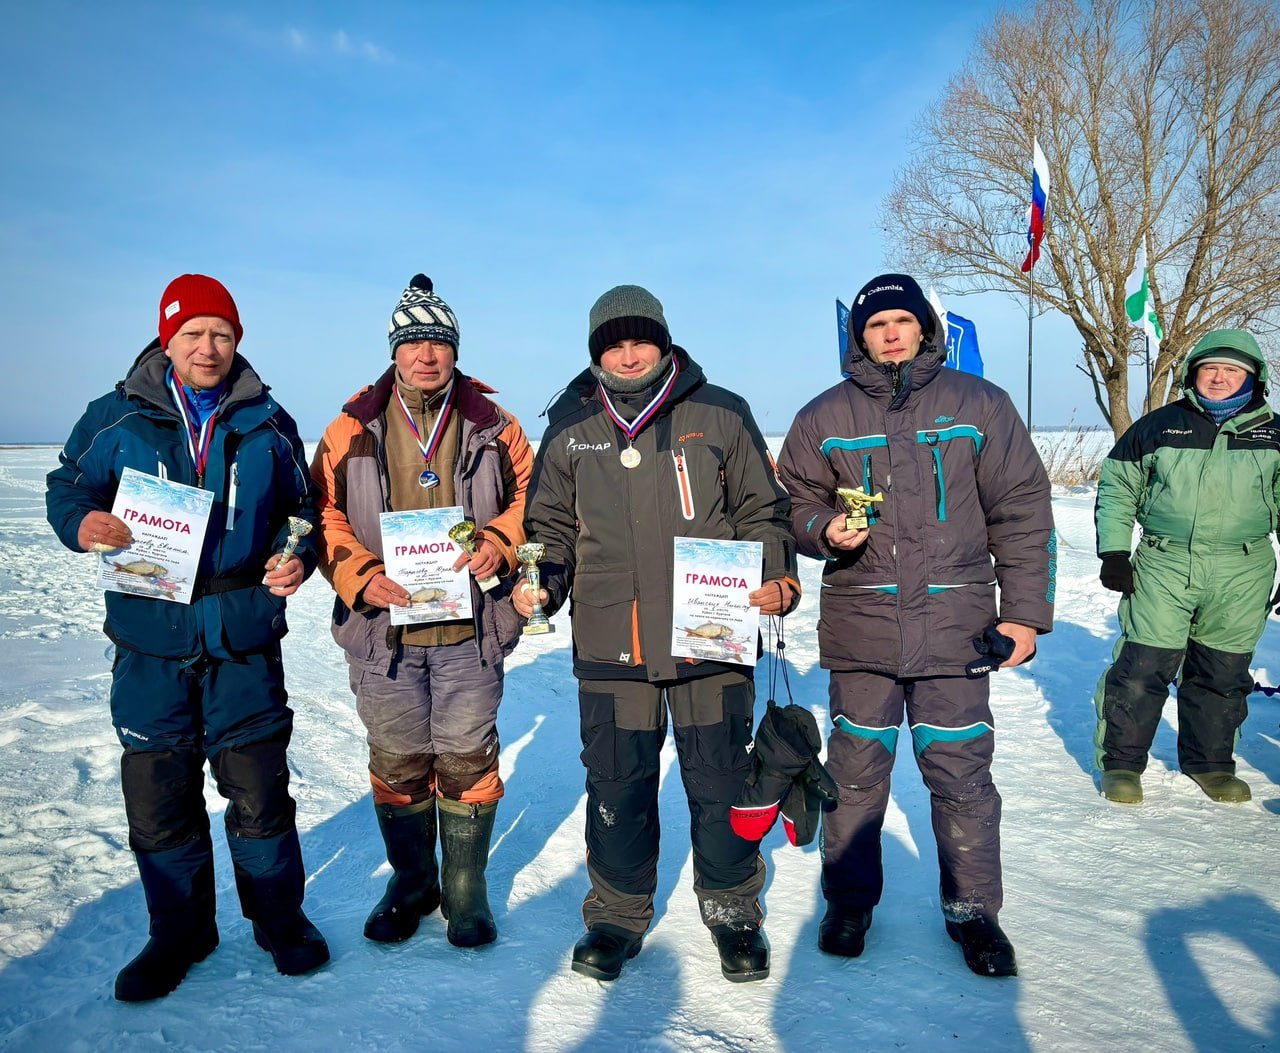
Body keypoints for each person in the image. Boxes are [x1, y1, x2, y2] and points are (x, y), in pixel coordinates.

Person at [45, 274, 329, 1001]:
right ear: (167, 339)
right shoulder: (117, 417)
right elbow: (67, 484)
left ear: (238, 342)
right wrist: (82, 523)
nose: (209, 348)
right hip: (151, 638)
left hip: (241, 637)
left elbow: (303, 510)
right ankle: (179, 931)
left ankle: (279, 920)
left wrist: (297, 556)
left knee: (260, 793)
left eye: (223, 334)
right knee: (160, 797)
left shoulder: (267, 421)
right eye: (194, 334)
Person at [514, 285, 800, 983]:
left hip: (711, 637)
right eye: (614, 343)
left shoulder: (719, 412)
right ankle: (615, 912)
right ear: (597, 354)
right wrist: (543, 581)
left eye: (640, 339)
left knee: (720, 778)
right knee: (618, 781)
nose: (629, 352)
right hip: (613, 639)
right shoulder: (570, 425)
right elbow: (547, 526)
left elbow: (764, 509)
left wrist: (779, 576)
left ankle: (733, 907)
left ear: (665, 340)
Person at [777, 272, 1055, 978]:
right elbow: (789, 502)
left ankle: (973, 913)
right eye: (877, 324)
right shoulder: (822, 416)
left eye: (903, 321)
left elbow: (1022, 509)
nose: (892, 333)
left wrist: (1023, 613)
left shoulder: (979, 405)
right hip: (863, 628)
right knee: (856, 772)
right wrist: (821, 527)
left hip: (954, 627)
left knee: (961, 774)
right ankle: (848, 900)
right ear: (859, 336)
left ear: (926, 329)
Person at [310, 274, 532, 949]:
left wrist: (500, 540)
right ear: (394, 351)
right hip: (385, 632)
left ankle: (465, 889)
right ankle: (412, 882)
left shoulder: (497, 425)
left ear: (454, 350)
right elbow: (322, 513)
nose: (426, 355)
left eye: (438, 342)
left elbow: (534, 498)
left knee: (466, 758)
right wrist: (359, 574)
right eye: (413, 344)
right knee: (400, 760)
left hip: (471, 626)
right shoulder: (350, 426)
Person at [1093, 330, 1277, 806]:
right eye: (1209, 369)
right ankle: (1122, 765)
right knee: (1142, 667)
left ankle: (1212, 764)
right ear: (1193, 374)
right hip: (1165, 562)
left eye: (1232, 370)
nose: (1219, 378)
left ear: (1253, 379)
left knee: (1222, 670)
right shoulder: (1159, 426)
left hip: (1243, 566)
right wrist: (1114, 552)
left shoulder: (1274, 433)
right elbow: (1117, 488)